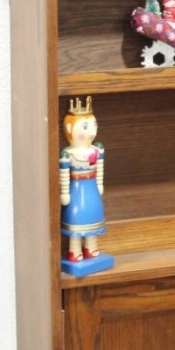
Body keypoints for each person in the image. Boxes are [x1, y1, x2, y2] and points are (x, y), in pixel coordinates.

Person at [59, 96, 108, 265]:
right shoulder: (68, 154)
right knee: (77, 218)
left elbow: (100, 166)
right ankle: (74, 249)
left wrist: (99, 183)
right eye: (85, 127)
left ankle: (91, 247)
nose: (91, 132)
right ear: (69, 128)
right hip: (76, 190)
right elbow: (64, 173)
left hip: (92, 189)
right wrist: (65, 192)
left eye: (93, 125)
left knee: (92, 216)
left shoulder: (96, 150)